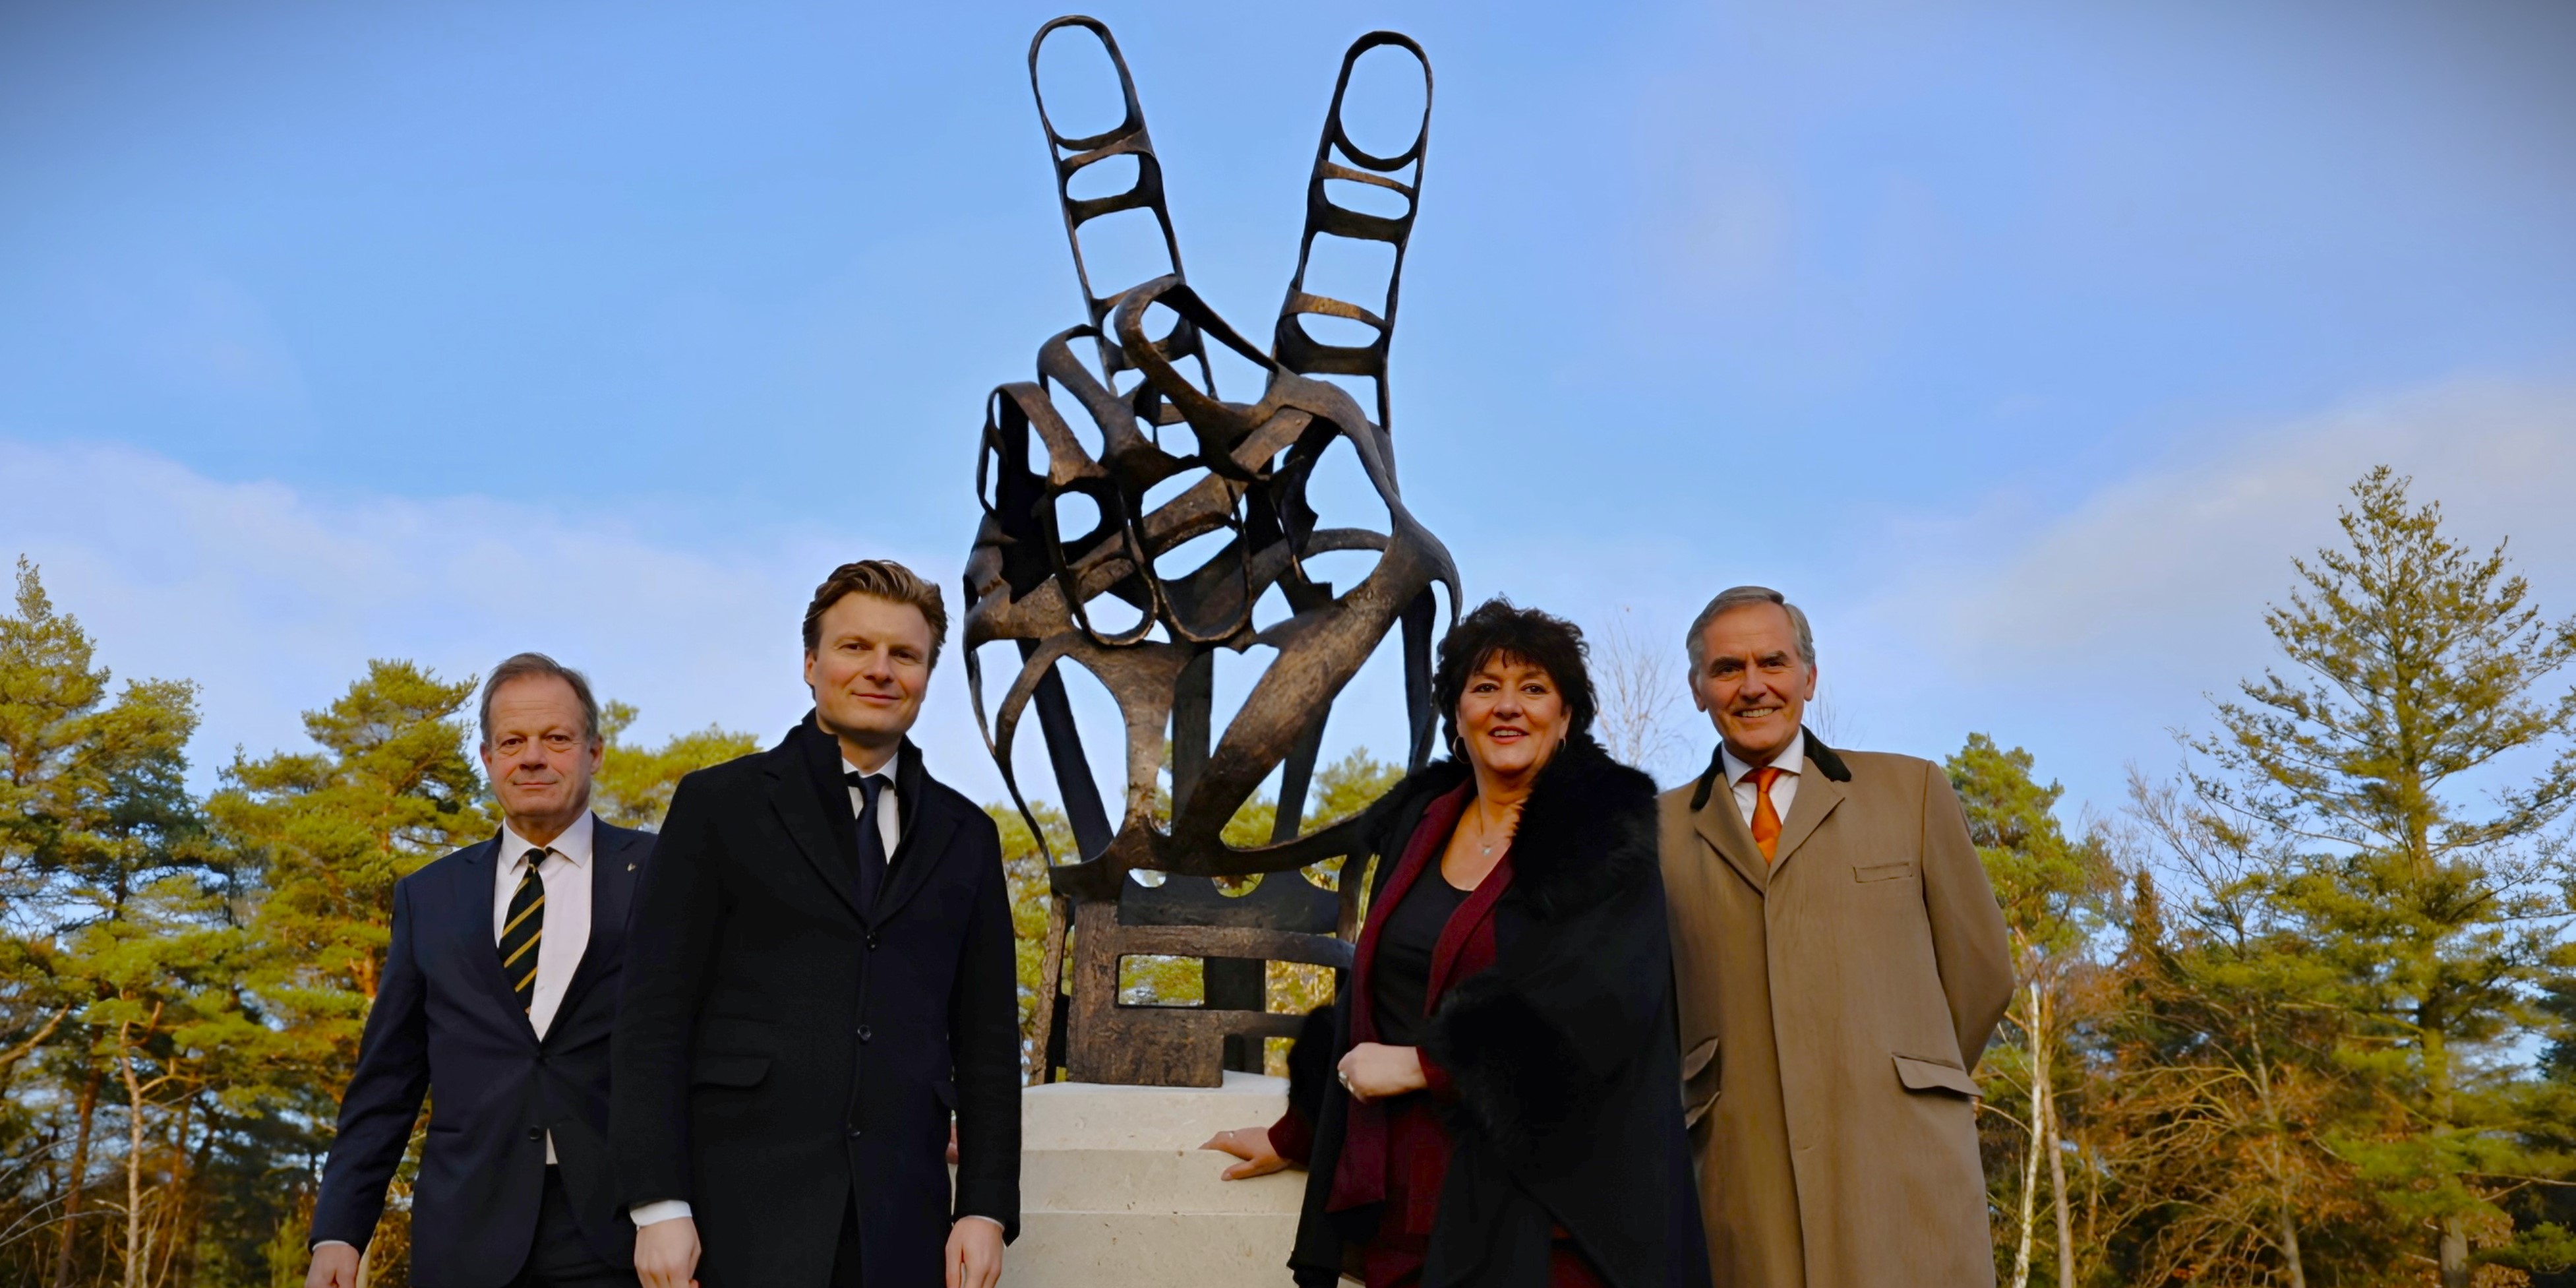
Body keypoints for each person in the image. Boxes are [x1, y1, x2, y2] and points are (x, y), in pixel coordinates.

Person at [1206, 599, 1710, 1288]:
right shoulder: (1421, 824)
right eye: (1485, 688)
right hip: (1410, 1204)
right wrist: (1297, 1133)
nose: (1508, 707)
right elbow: (1370, 997)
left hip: (1547, 1212)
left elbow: (1605, 1006)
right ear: (1457, 716)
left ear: (1565, 720)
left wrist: (1427, 1065)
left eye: (1534, 689)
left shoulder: (1602, 837)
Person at [611, 559, 1019, 1288]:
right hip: (732, 1217)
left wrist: (984, 1210)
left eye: (905, 654)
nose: (880, 670)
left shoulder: (968, 836)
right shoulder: (718, 806)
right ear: (811, 663)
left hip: (902, 1225)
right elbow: (652, 1016)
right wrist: (657, 1203)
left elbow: (987, 1043)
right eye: (855, 647)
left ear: (927, 674)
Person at [1658, 585, 2014, 1287]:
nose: (1753, 686)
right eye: (1728, 669)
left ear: (1809, 678)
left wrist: (1909, 1082)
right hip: (1738, 1183)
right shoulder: (1653, 833)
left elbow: (1981, 975)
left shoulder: (1910, 791)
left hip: (1904, 1176)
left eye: (1773, 662)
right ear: (1698, 689)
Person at [308, 654, 655, 1288]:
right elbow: (386, 1081)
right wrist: (340, 1229)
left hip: (624, 1236)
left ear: (594, 752)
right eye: (512, 741)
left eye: (556, 738)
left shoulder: (662, 873)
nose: (532, 757)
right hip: (465, 1236)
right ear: (488, 757)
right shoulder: (429, 898)